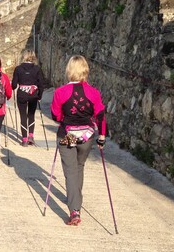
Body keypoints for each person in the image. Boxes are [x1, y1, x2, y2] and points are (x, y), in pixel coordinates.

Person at [51, 55, 107, 226]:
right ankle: (76, 200)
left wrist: (65, 119)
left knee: (70, 170)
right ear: (85, 70)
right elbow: (100, 116)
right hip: (87, 136)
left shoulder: (60, 92)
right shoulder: (94, 92)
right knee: (79, 166)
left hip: (68, 134)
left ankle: (74, 209)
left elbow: (55, 115)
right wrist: (102, 136)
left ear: (69, 70)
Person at [11, 49, 45, 146]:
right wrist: (39, 96)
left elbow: (13, 85)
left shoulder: (18, 68)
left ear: (23, 56)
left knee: (23, 116)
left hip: (21, 94)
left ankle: (24, 139)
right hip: (33, 94)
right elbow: (41, 84)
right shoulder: (37, 68)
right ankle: (31, 136)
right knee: (31, 115)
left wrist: (14, 86)